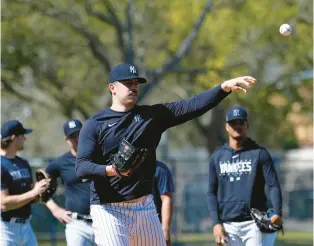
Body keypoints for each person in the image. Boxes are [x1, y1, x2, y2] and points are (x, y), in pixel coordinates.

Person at [75, 63, 256, 246]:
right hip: (108, 209)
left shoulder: (151, 117)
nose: (134, 87)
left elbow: (191, 105)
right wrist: (112, 170)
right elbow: (82, 167)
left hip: (144, 206)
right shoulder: (95, 124)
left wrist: (223, 88)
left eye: (136, 83)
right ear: (112, 88)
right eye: (127, 83)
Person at [207, 106, 283, 246]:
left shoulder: (259, 153)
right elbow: (211, 192)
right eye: (233, 123)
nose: (237, 126)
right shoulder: (217, 157)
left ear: (247, 125)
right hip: (227, 224)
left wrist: (278, 212)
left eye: (241, 122)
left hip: (254, 223)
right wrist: (216, 224)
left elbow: (273, 184)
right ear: (227, 127)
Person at [44, 119, 96, 246]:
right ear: (66, 139)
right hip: (77, 226)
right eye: (73, 136)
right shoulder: (60, 163)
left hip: (103, 222)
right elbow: (40, 186)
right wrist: (55, 209)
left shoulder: (99, 156)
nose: (77, 139)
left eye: (80, 134)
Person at [0, 120, 49, 246]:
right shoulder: (1, 165)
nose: (25, 139)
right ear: (14, 138)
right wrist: (34, 192)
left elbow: (33, 197)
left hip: (27, 227)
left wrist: (43, 189)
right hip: (6, 229)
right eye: (22, 135)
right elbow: (3, 203)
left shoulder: (23, 163)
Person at [152, 160, 175, 246]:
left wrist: (165, 229)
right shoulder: (127, 168)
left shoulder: (160, 169)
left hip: (153, 226)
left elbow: (166, 199)